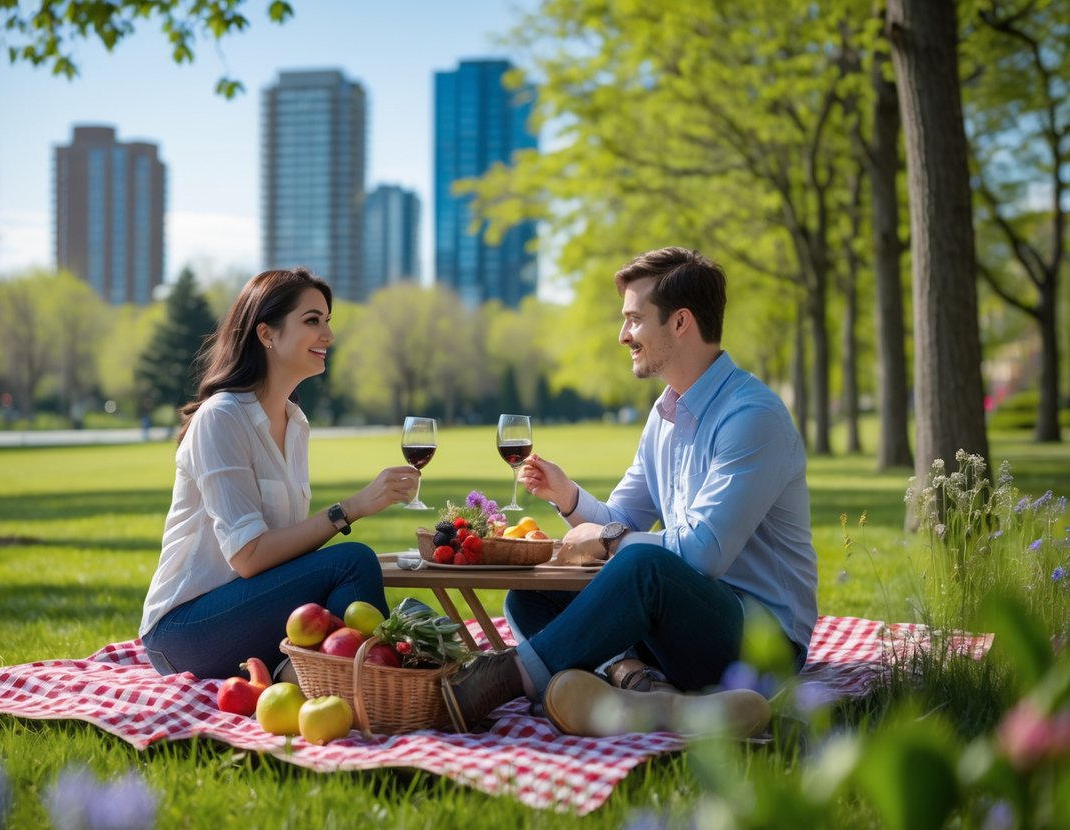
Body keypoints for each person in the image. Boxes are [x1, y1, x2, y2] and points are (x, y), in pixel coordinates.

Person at [443, 247, 818, 738]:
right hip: (679, 630)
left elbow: (698, 554)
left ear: (680, 322)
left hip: (760, 645)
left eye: (635, 320)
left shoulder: (753, 417)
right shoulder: (664, 416)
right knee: (529, 597)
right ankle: (646, 691)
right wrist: (569, 498)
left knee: (644, 566)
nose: (623, 336)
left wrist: (606, 539)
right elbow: (623, 518)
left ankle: (507, 678)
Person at [139, 268, 420, 681]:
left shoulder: (295, 422)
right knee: (352, 560)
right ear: (267, 334)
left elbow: (288, 551)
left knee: (382, 593)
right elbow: (249, 556)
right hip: (185, 631)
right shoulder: (221, 418)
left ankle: (348, 679)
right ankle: (378, 683)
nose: (328, 335)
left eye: (327, 320)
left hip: (250, 608)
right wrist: (351, 508)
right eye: (312, 321)